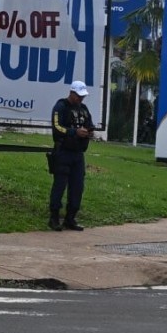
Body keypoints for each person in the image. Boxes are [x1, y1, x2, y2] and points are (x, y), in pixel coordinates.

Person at [48, 80, 96, 231]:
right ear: (72, 93)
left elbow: (89, 124)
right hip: (63, 152)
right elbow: (57, 127)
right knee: (59, 185)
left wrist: (90, 131)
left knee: (77, 187)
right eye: (78, 96)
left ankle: (70, 218)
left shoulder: (84, 109)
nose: (81, 99)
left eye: (83, 96)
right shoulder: (60, 106)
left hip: (78, 154)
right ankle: (54, 218)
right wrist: (74, 132)